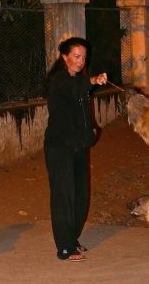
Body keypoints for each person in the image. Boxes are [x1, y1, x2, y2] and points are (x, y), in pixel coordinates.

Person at [43, 37, 107, 262]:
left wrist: (92, 131)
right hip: (59, 147)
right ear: (65, 56)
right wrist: (94, 79)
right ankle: (64, 248)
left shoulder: (78, 81)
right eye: (76, 56)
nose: (80, 61)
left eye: (84, 57)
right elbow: (74, 88)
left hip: (78, 146)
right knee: (63, 197)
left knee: (80, 197)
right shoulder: (60, 80)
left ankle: (72, 239)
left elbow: (82, 110)